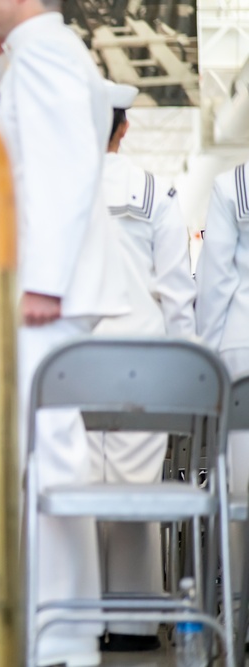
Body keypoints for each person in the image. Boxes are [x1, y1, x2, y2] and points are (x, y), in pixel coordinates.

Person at [0, 0, 129, 664]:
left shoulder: (48, 54)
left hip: (45, 293)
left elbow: (61, 173)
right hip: (41, 286)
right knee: (42, 461)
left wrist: (44, 283)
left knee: (48, 459)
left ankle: (60, 635)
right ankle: (57, 627)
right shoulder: (33, 54)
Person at [92, 81, 196, 653]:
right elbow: (178, 294)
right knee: (134, 490)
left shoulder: (51, 193)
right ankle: (131, 622)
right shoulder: (155, 191)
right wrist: (188, 380)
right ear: (123, 128)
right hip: (143, 361)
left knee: (74, 488)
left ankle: (77, 615)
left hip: (69, 363)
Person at [195, 132, 249, 629]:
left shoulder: (234, 183)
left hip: (241, 348)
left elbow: (215, 284)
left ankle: (236, 615)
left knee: (240, 494)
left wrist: (205, 364)